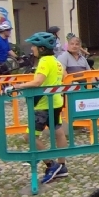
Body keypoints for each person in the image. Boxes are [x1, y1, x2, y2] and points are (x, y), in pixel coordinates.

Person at [19, 32, 69, 184]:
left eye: (34, 46)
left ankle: (51, 164)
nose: (32, 48)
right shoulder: (56, 61)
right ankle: (62, 166)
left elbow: (37, 82)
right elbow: (64, 75)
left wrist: (15, 87)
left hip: (43, 104)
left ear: (41, 48)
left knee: (30, 137)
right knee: (58, 132)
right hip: (56, 101)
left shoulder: (44, 61)